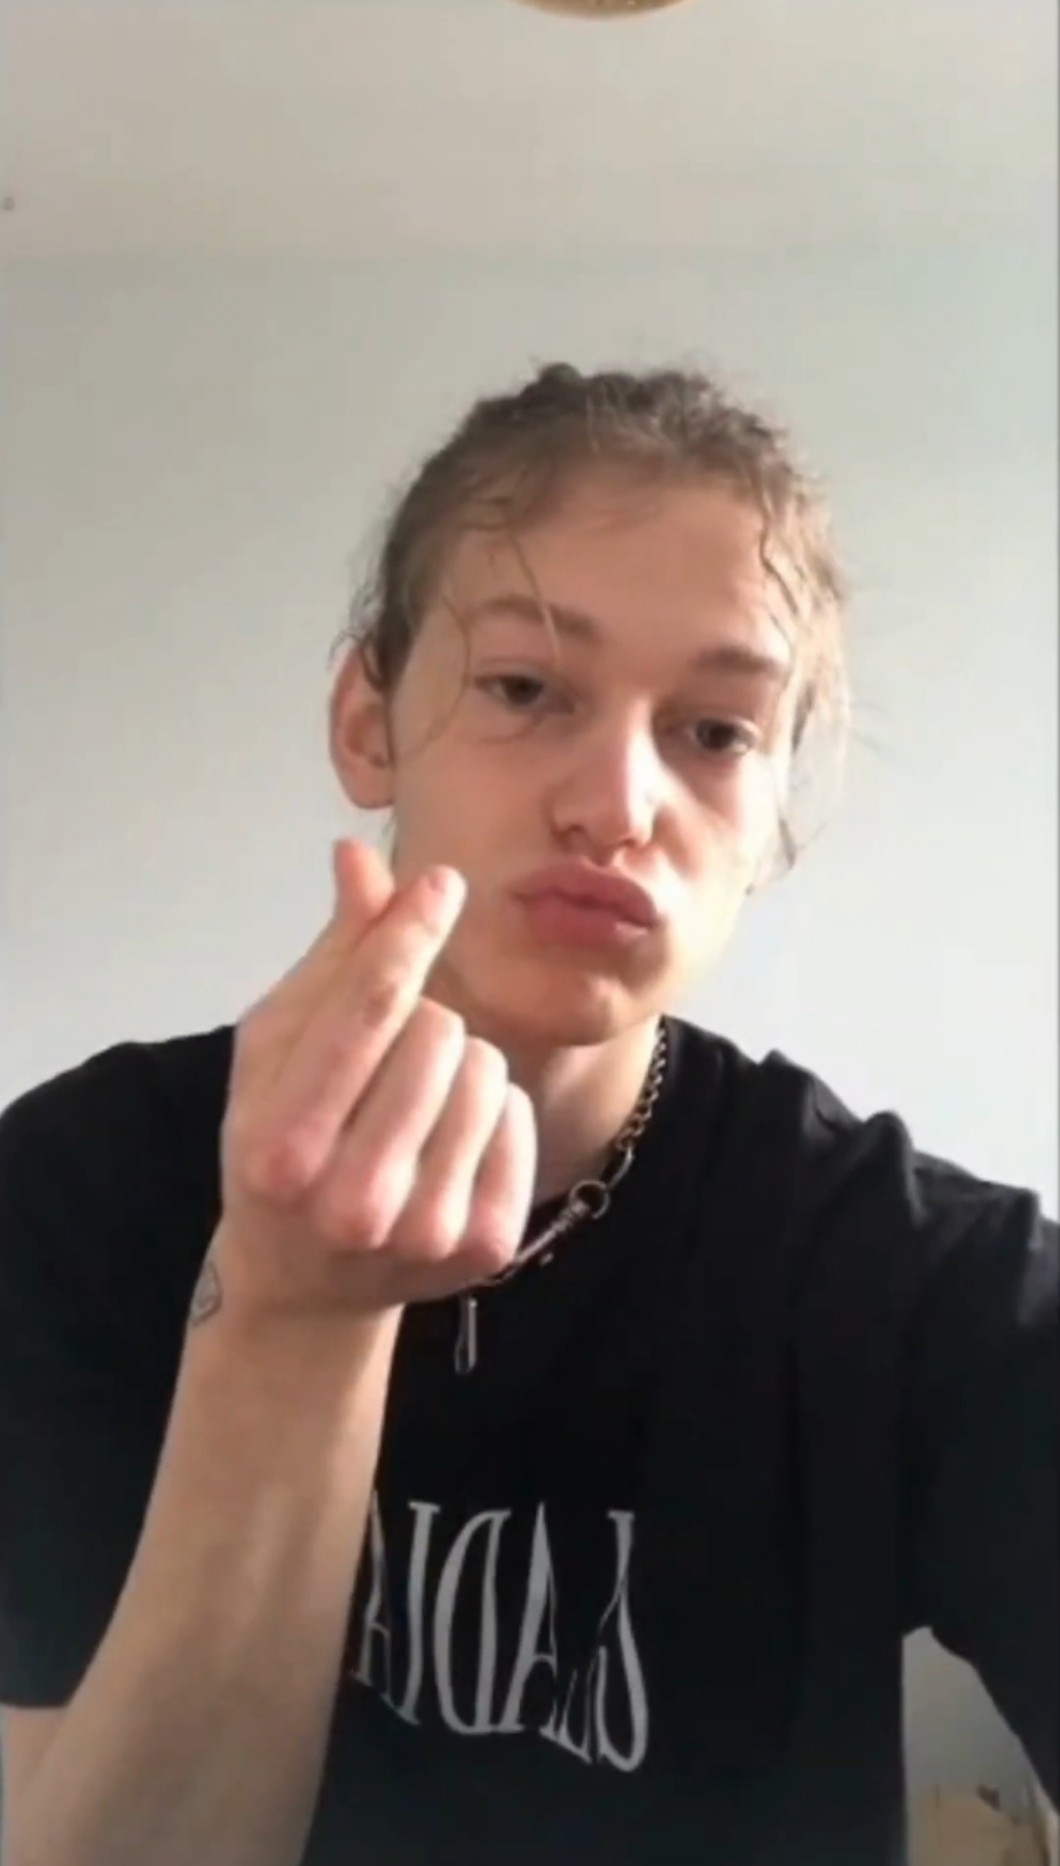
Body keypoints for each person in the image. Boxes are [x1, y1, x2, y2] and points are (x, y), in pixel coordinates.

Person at [0, 363, 1055, 1866]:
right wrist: (289, 1316)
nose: (618, 802)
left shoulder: (915, 1278)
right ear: (369, 721)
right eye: (523, 688)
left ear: (776, 816)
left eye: (716, 732)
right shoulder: (76, 1190)